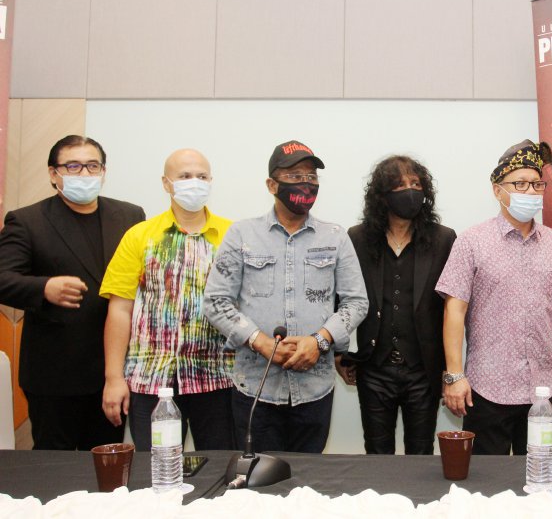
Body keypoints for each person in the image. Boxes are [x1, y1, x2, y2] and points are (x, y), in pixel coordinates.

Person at [203, 141, 368, 453]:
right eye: (295, 176)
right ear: (271, 184)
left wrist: (318, 341)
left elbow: (357, 302)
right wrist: (260, 342)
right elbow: (216, 301)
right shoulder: (241, 235)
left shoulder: (335, 237)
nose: (305, 184)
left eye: (311, 177)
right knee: (258, 485)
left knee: (307, 484)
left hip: (314, 389)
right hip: (256, 387)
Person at [436, 140, 552, 455]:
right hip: (487, 387)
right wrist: (454, 375)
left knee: (540, 476)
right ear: (497, 190)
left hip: (545, 387)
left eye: (536, 184)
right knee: (486, 485)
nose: (529, 192)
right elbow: (454, 310)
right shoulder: (471, 242)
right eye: (519, 184)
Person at [0, 135, 145, 450]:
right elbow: (2, 277)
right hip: (55, 373)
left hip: (113, 371)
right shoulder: (27, 220)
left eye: (92, 166)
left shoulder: (130, 216)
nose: (84, 174)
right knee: (56, 468)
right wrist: (43, 287)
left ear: (103, 171)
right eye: (73, 166)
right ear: (54, 174)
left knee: (108, 463)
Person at [99, 149, 234, 450]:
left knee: (222, 471)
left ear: (211, 181)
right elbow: (120, 310)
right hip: (151, 380)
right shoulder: (140, 236)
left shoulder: (232, 236)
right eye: (184, 176)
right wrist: (113, 378)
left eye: (201, 176)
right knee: (157, 472)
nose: (194, 183)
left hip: (217, 378)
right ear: (166, 183)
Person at [337, 156, 456, 454]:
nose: (410, 190)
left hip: (423, 370)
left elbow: (452, 308)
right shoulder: (357, 239)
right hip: (374, 369)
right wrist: (339, 353)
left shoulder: (443, 239)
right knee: (376, 455)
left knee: (421, 455)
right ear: (382, 195)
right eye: (399, 185)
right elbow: (341, 298)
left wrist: (451, 369)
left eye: (415, 184)